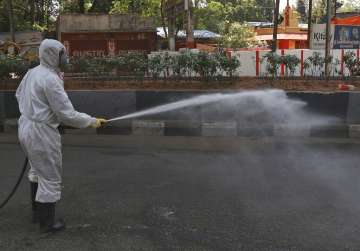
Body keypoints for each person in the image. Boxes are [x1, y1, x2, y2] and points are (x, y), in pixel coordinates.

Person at [16, 39, 106, 233]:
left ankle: (37, 213)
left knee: (36, 171)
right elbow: (66, 113)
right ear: (51, 54)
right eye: (61, 53)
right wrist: (91, 121)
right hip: (41, 132)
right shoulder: (49, 79)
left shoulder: (32, 73)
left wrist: (33, 112)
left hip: (26, 126)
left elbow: (18, 95)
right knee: (49, 176)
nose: (64, 57)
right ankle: (47, 224)